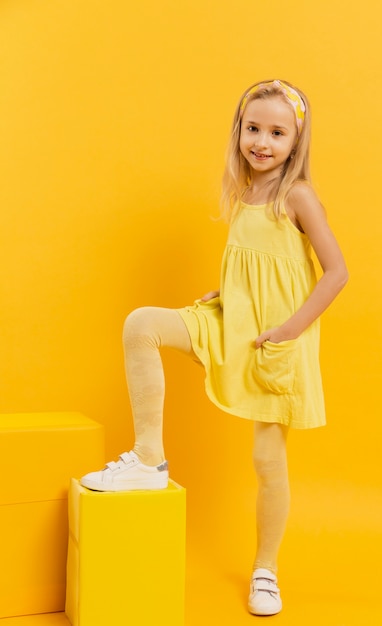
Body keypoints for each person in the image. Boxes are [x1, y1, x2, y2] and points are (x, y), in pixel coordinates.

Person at [80, 79, 348, 616]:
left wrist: (290, 330)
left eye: (277, 132)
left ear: (296, 141)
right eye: (253, 129)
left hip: (274, 339)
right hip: (231, 321)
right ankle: (150, 459)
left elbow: (335, 273)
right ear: (239, 131)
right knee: (142, 325)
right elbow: (262, 265)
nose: (262, 142)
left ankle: (266, 570)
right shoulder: (245, 191)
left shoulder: (298, 196)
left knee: (267, 461)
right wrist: (228, 292)